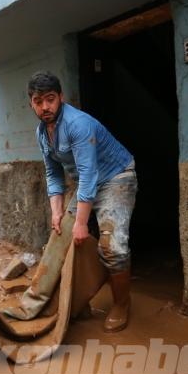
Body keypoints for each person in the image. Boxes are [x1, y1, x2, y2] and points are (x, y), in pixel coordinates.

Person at [29, 70, 137, 332]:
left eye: (51, 99)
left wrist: (80, 222)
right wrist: (57, 213)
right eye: (38, 101)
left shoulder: (78, 124)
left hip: (116, 177)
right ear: (32, 102)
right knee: (61, 238)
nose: (45, 107)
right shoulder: (43, 133)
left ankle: (122, 302)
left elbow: (89, 173)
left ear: (61, 98)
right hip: (87, 184)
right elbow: (53, 173)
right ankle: (75, 299)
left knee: (112, 246)